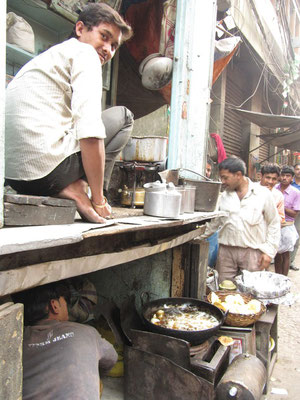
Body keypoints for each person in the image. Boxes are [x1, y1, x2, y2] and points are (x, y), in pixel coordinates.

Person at [5, 3, 133, 223]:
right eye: (104, 36)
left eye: (114, 46)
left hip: (13, 176)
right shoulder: (85, 54)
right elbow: (90, 133)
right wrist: (100, 201)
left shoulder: (50, 56)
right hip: (46, 171)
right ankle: (89, 193)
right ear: (80, 29)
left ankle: (73, 187)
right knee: (124, 117)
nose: (107, 49)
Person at [12, 281, 117, 400]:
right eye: (65, 302)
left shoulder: (14, 341)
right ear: (55, 306)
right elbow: (111, 359)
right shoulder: (86, 331)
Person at [201, 157, 280, 282]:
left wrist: (269, 252)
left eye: (225, 177)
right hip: (226, 252)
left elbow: (274, 224)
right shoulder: (223, 197)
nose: (222, 181)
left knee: (251, 290)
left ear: (238, 175)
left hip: (253, 252)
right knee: (223, 289)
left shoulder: (263, 194)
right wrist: (193, 237)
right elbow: (214, 224)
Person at [274, 165, 300, 275]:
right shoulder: (274, 188)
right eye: (283, 175)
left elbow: (294, 213)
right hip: (275, 225)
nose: (285, 178)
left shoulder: (296, 193)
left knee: (285, 254)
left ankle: (284, 278)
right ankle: (276, 277)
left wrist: (281, 205)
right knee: (276, 254)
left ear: (292, 178)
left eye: (288, 176)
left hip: (287, 226)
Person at [290, 162, 300, 270]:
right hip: (287, 211)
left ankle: (291, 261)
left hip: (299, 214)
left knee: (296, 236)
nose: (299, 171)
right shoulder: (288, 182)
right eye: (297, 169)